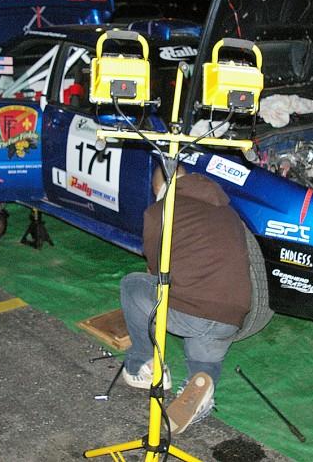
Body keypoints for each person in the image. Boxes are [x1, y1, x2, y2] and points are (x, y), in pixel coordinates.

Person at [120, 163, 251, 434]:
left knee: (133, 284)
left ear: (159, 188)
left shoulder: (161, 211)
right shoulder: (227, 211)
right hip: (232, 314)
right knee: (204, 350)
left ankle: (144, 365)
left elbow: (156, 269)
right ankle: (202, 382)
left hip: (192, 311)